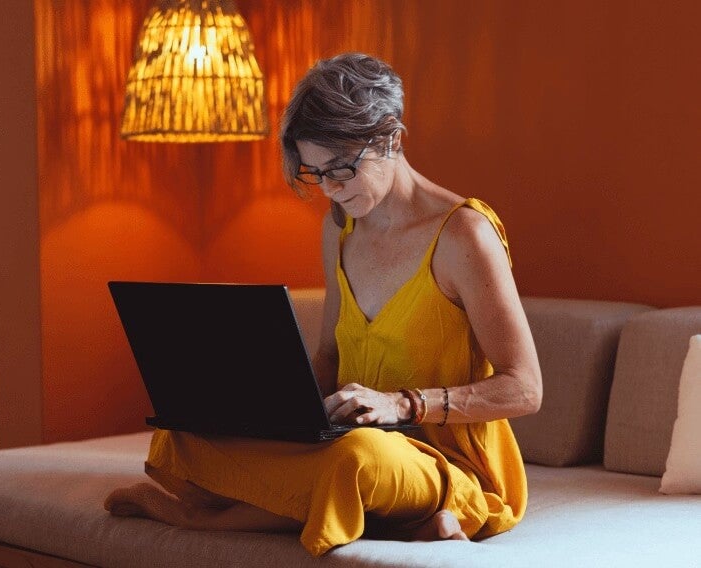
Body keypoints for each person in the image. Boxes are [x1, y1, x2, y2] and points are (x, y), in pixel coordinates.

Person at [104, 52, 543, 556]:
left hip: (442, 460)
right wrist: (260, 405)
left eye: (342, 169)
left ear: (392, 138)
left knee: (355, 459)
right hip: (351, 437)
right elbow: (329, 360)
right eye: (315, 173)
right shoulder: (339, 228)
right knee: (179, 438)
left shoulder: (464, 235)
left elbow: (525, 389)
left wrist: (401, 403)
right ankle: (400, 521)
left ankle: (196, 517)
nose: (330, 189)